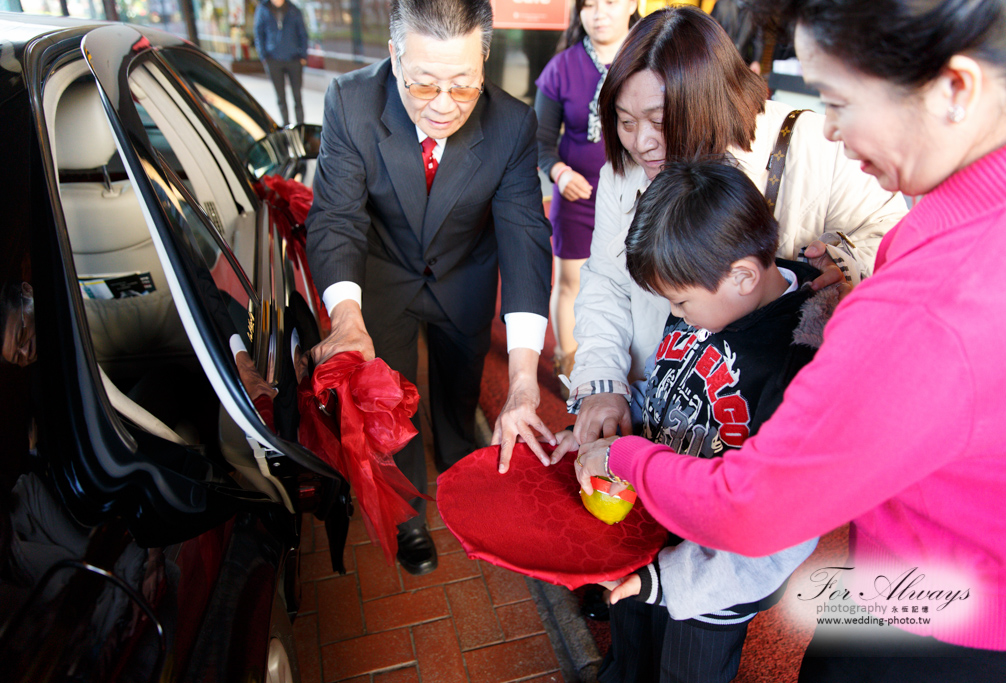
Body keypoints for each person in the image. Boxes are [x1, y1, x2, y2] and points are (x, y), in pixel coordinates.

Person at [575, 0, 1006, 679]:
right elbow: (606, 289)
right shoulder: (967, 209)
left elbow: (753, 506)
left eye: (839, 100)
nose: (836, 129)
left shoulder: (931, 298)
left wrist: (629, 458)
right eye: (625, 122)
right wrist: (606, 386)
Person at [554, 6, 908, 459]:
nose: (642, 142)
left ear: (708, 99)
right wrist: (603, 383)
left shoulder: (814, 146)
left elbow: (896, 239)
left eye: (660, 122)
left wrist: (845, 260)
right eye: (625, 122)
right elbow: (606, 279)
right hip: (665, 406)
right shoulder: (625, 171)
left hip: (772, 430)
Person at [305, 0, 555, 576]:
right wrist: (346, 319)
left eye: (463, 87)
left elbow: (524, 241)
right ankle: (409, 510)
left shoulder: (513, 125)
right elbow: (336, 217)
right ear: (394, 57)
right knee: (391, 402)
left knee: (458, 390)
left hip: (465, 278)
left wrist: (521, 379)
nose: (443, 106)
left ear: (484, 61)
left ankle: (463, 471)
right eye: (424, 85)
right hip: (382, 277)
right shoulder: (350, 102)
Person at [562, 159, 831, 682]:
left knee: (688, 670)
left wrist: (676, 581)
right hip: (651, 527)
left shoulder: (800, 360)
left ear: (744, 276)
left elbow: (779, 521)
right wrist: (616, 436)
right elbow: (673, 384)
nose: (676, 314)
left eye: (680, 303)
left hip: (714, 576)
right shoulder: (708, 284)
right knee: (629, 651)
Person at [534, 0, 638, 385]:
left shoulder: (649, 56)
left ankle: (629, 367)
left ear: (633, 4)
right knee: (571, 284)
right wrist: (559, 173)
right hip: (576, 197)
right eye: (589, 5)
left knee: (635, 284)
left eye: (609, 2)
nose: (599, 13)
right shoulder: (561, 66)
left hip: (637, 197)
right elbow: (541, 141)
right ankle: (570, 365)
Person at [254, 0, 309, 126]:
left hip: (294, 59)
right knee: (280, 97)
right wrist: (263, 56)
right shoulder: (263, 9)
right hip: (273, 60)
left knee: (297, 96)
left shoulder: (294, 10)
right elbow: (259, 33)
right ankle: (286, 126)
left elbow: (303, 34)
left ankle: (301, 126)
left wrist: (303, 56)